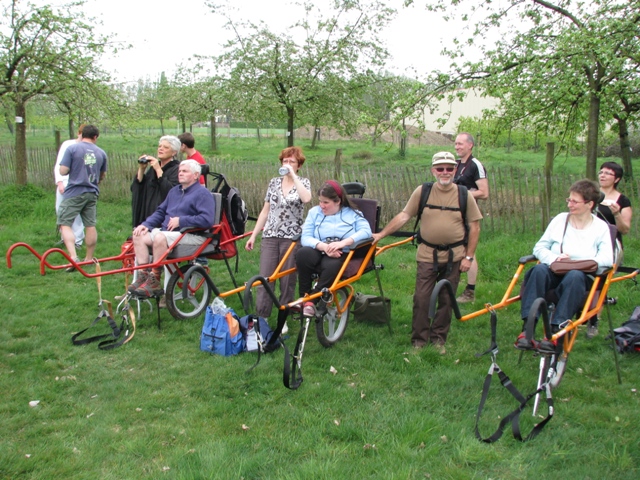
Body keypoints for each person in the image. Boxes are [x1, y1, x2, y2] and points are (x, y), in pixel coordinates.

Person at [373, 152, 482, 355]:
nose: (445, 172)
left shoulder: (463, 194)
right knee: (422, 298)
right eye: (440, 168)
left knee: (447, 299)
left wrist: (468, 257)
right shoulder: (423, 191)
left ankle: (439, 340)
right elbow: (405, 215)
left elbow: (474, 227)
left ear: (455, 170)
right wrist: (381, 234)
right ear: (433, 170)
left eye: (449, 168)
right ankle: (419, 341)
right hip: (427, 255)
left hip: (455, 256)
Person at [516, 180, 614, 350]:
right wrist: (554, 258)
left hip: (581, 276)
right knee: (538, 269)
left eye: (575, 201)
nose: (570, 204)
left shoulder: (601, 228)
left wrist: (578, 263)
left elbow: (606, 259)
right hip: (555, 270)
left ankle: (556, 331)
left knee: (575, 275)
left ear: (590, 204)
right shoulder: (560, 220)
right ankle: (527, 330)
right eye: (568, 200)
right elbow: (539, 247)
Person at [127, 160, 215, 298]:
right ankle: (143, 275)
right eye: (180, 171)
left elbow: (207, 220)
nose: (180, 173)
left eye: (184, 171)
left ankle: (154, 278)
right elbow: (160, 212)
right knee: (138, 234)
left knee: (160, 237)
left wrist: (181, 220)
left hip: (194, 235)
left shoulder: (203, 194)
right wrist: (145, 225)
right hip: (170, 233)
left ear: (196, 175)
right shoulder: (174, 191)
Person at [245, 146, 311, 327]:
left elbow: (306, 199)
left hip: (292, 237)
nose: (287, 164)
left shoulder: (303, 182)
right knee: (266, 277)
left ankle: (284, 317)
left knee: (287, 279)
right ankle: (262, 317)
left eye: (292, 162)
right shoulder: (273, 183)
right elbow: (265, 211)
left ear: (299, 165)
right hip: (270, 235)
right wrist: (254, 235)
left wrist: (293, 176)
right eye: (285, 161)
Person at [296, 180, 372, 317]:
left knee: (331, 264)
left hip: (341, 252)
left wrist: (343, 243)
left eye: (326, 202)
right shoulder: (314, 213)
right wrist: (325, 247)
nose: (321, 206)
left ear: (338, 201)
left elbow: (366, 232)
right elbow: (306, 237)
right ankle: (303, 295)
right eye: (320, 201)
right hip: (320, 248)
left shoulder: (353, 214)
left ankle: (311, 300)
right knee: (302, 253)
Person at [587, 162, 633, 338]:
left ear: (617, 179)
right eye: (601, 172)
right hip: (587, 241)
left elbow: (625, 229)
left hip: (610, 243)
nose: (603, 175)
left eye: (608, 173)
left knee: (601, 280)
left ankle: (594, 320)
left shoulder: (622, 201)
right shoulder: (591, 194)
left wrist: (616, 214)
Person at [57, 125, 108, 271]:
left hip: (74, 192)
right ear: (95, 137)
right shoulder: (101, 153)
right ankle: (88, 258)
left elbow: (63, 170)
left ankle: (73, 257)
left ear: (81, 134)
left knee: (65, 223)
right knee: (90, 225)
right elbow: (102, 175)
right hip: (92, 192)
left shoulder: (72, 149)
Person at [453, 132, 489, 304]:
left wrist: (464, 194)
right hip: (454, 212)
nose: (457, 147)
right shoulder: (456, 164)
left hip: (468, 212)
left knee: (469, 251)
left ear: (470, 145)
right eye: (456, 144)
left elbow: (484, 193)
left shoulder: (476, 165)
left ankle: (470, 291)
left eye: (460, 144)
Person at [131, 135, 181, 228]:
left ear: (174, 152)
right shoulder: (152, 169)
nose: (161, 149)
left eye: (165, 147)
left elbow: (170, 191)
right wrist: (141, 169)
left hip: (162, 216)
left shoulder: (177, 169)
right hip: (147, 211)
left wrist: (158, 169)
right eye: (159, 146)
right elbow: (138, 188)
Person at [54, 125, 86, 248]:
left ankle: (77, 240)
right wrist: (60, 182)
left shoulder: (87, 149)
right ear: (79, 134)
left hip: (77, 185)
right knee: (60, 210)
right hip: (64, 182)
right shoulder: (67, 144)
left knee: (76, 212)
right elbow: (59, 164)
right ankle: (65, 237)